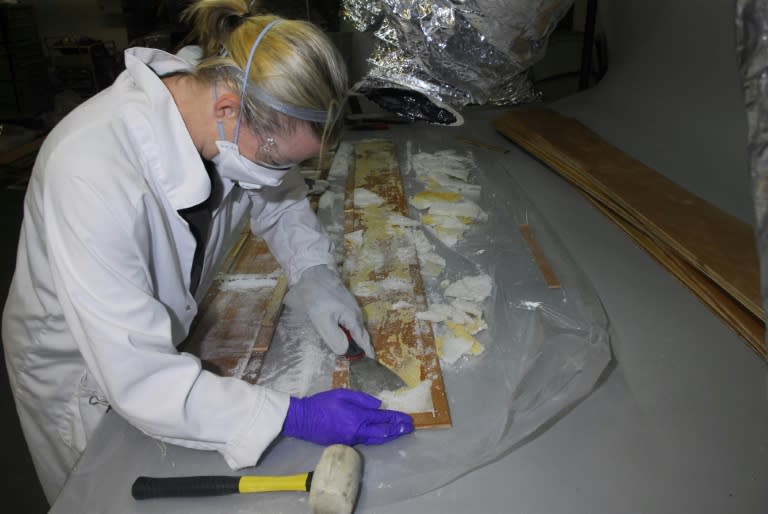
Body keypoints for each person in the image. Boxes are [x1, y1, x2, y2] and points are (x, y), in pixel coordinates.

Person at [2, 0, 413, 504]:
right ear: (226, 110)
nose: (276, 174)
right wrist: (292, 415)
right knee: (103, 494)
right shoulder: (91, 172)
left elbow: (277, 201)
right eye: (275, 159)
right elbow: (139, 376)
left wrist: (314, 274)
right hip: (82, 368)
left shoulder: (224, 106)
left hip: (156, 333)